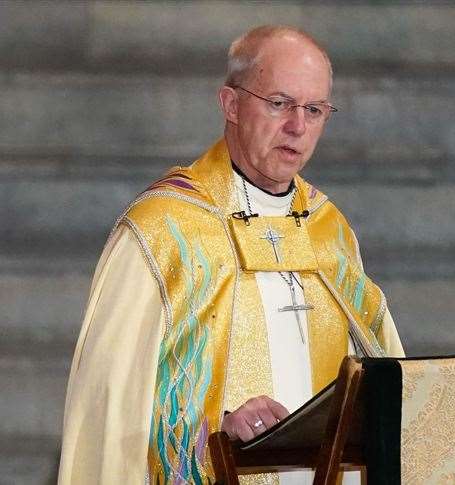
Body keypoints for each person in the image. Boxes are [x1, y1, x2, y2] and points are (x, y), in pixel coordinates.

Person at [58, 25, 404, 485]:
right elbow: (112, 401)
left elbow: (383, 382)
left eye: (315, 109)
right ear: (231, 104)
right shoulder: (162, 230)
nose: (297, 126)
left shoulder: (330, 232)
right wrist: (216, 426)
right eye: (279, 103)